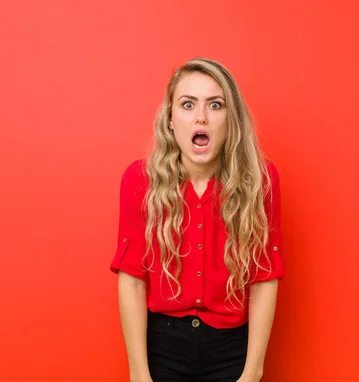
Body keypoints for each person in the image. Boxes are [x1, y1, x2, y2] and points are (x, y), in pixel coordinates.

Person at [110, 57, 284, 382]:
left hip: (232, 351)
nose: (201, 117)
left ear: (231, 119)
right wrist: (138, 374)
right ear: (171, 119)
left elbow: (264, 277)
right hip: (162, 349)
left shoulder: (261, 181)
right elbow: (132, 279)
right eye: (188, 104)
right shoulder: (139, 180)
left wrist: (253, 372)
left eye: (215, 105)